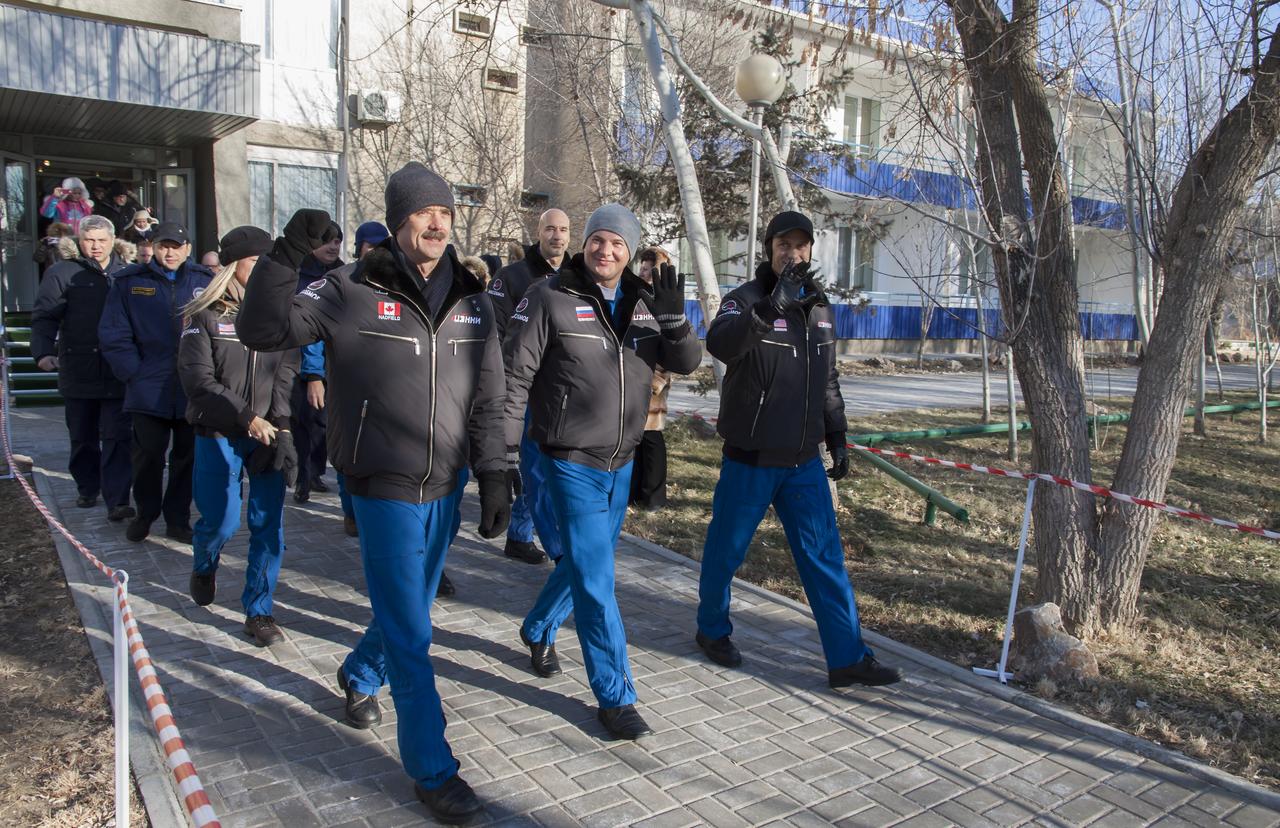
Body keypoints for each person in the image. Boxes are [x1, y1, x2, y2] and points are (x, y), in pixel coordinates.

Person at [235, 163, 510, 824]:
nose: (437, 223)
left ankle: (359, 673)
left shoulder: (473, 298)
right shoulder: (349, 288)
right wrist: (283, 258)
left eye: (445, 212)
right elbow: (263, 332)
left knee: (408, 608)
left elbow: (490, 394)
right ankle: (433, 770)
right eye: (423, 212)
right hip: (381, 482)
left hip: (446, 484)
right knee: (413, 631)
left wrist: (496, 469)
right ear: (397, 221)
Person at [505, 203, 701, 740]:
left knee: (587, 564)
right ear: (584, 242)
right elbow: (514, 377)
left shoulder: (644, 301)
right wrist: (502, 455)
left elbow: (687, 361)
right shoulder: (550, 296)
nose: (606, 250)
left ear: (629, 250)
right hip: (569, 459)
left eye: (617, 243)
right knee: (596, 580)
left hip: (623, 461)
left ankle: (538, 626)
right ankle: (616, 696)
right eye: (598, 239)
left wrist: (675, 320)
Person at [694, 210, 902, 690]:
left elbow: (827, 379)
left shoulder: (820, 308)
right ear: (769, 249)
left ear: (810, 250)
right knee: (726, 552)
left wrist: (837, 434)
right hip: (751, 458)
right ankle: (711, 630)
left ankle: (847, 658)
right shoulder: (744, 299)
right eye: (783, 245)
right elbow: (722, 345)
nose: (792, 253)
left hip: (803, 460)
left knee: (824, 558)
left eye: (800, 245)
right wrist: (770, 308)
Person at [178, 226, 300, 647]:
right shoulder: (204, 316)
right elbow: (199, 381)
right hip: (218, 431)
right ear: (232, 267)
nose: (264, 270)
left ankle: (259, 610)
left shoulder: (281, 318)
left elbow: (284, 378)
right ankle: (205, 562)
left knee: (268, 525)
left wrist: (283, 428)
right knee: (223, 520)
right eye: (254, 262)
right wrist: (247, 418)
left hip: (265, 432)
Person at [99, 221, 213, 544]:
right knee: (148, 456)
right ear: (153, 247)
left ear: (188, 249)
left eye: (176, 247)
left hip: (192, 387)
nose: (170, 253)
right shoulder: (129, 282)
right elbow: (114, 333)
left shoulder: (204, 281)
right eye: (164, 246)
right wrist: (134, 373)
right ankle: (146, 513)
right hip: (148, 388)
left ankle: (178, 519)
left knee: (186, 458)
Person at [30, 215, 135, 523]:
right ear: (80, 240)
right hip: (78, 368)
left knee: (118, 437)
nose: (96, 246)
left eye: (102, 240)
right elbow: (45, 316)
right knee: (82, 435)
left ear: (113, 241)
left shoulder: (128, 273)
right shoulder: (61, 273)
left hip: (118, 372)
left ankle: (118, 499)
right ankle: (88, 487)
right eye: (89, 240)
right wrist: (42, 352)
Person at [489, 208, 571, 565]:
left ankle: (520, 535)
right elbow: (494, 332)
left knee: (553, 472)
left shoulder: (578, 276)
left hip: (565, 392)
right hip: (523, 391)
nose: (557, 236)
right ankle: (556, 550)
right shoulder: (512, 277)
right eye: (550, 228)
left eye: (564, 229)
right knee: (534, 471)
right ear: (538, 232)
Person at [290, 222, 343, 503]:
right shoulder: (299, 275)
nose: (333, 247)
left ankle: (315, 472)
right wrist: (313, 374)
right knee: (305, 421)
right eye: (327, 241)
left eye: (337, 241)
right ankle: (302, 476)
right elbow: (308, 329)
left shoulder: (344, 274)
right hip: (302, 364)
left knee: (323, 423)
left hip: (337, 363)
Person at [630, 246, 674, 510]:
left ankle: (654, 497)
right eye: (642, 268)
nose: (643, 273)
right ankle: (636, 492)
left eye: (649, 269)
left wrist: (654, 383)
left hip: (653, 383)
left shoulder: (663, 302)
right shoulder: (635, 298)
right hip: (633, 380)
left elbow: (668, 348)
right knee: (635, 439)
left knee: (652, 439)